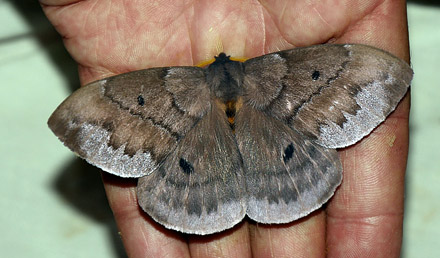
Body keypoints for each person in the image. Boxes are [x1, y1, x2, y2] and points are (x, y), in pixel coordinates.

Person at [41, 0, 410, 257]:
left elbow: (372, 79)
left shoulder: (175, 84)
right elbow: (85, 123)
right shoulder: (274, 70)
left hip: (245, 140)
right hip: (237, 143)